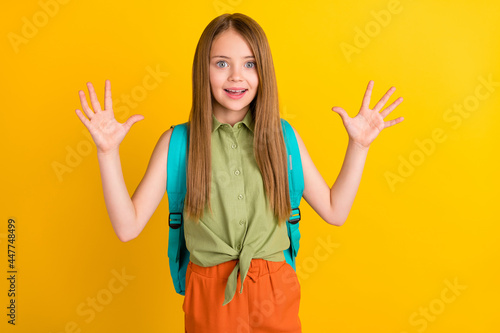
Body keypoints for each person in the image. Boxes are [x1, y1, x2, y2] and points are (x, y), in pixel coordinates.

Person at [75, 12, 404, 333]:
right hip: (209, 297)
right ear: (203, 70)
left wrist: (359, 146)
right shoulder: (177, 143)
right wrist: (108, 153)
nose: (236, 76)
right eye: (222, 63)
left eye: (250, 64)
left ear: (264, 72)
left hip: (276, 292)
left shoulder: (282, 138)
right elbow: (127, 227)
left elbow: (336, 210)